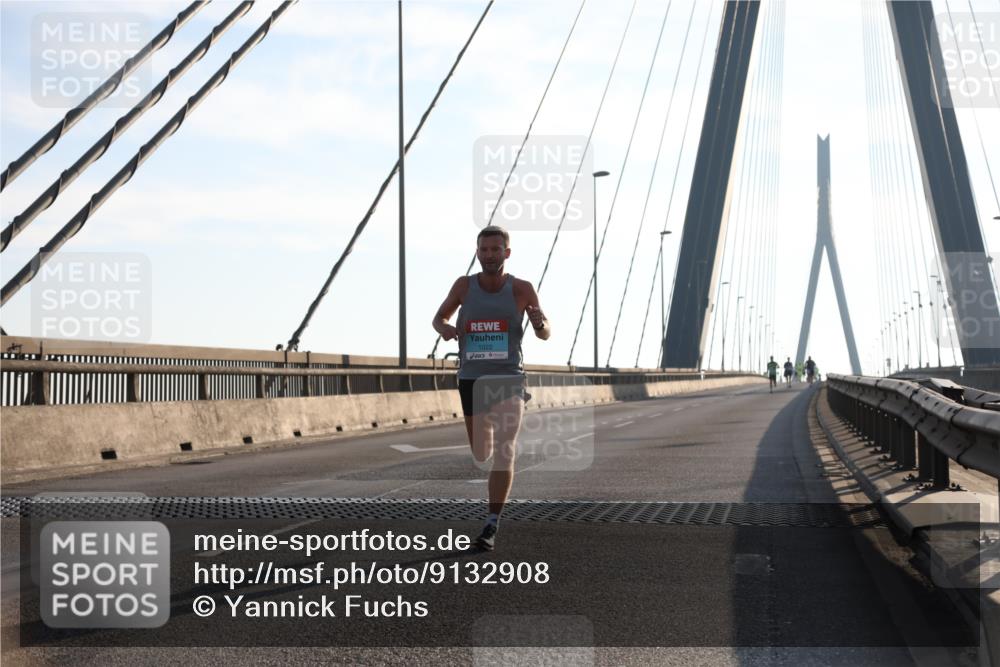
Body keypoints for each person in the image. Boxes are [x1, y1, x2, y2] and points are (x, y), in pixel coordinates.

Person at [431, 225, 550, 551]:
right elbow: (438, 318)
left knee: (504, 447)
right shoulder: (464, 286)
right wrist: (446, 328)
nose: (489, 255)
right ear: (478, 252)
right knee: (482, 452)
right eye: (483, 250)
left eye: (495, 250)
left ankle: (491, 522)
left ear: (506, 253)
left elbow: (544, 332)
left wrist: (539, 321)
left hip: (509, 378)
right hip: (472, 379)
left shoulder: (522, 289)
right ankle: (492, 516)